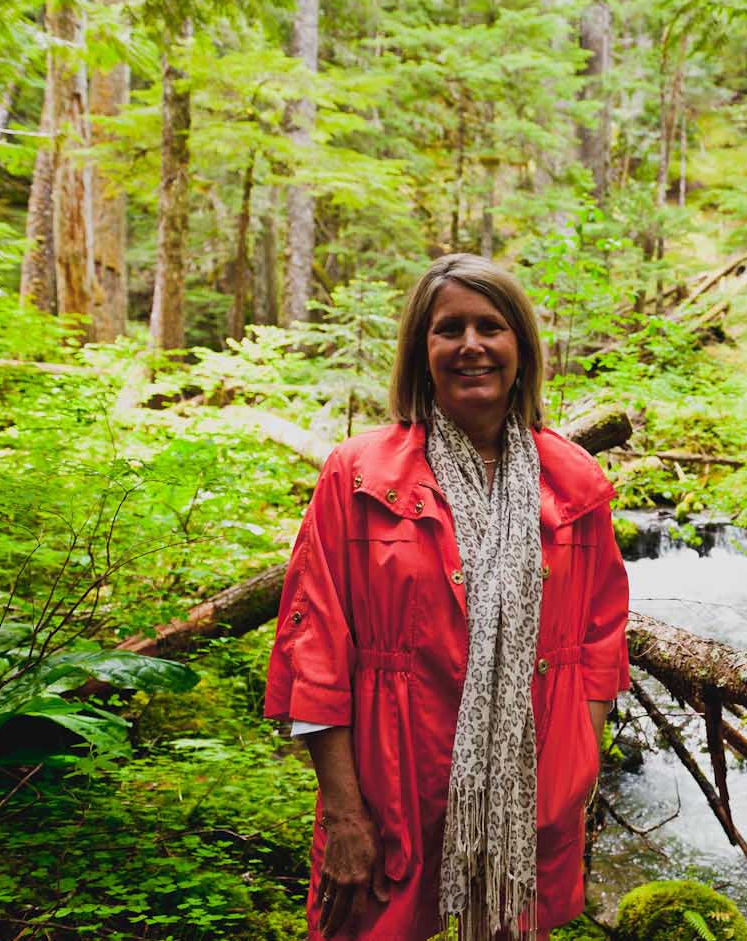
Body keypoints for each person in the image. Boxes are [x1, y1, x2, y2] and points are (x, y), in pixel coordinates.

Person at [264, 253, 630, 941]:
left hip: (526, 787)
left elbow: (600, 637)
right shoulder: (360, 476)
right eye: (448, 328)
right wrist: (343, 808)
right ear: (421, 352)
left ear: (520, 347)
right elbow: (312, 646)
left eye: (490, 326)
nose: (471, 345)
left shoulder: (574, 485)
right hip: (389, 780)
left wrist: (575, 761)